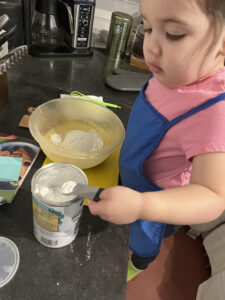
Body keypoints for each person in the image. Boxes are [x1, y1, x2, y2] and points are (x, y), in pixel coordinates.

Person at [88, 0, 225, 282]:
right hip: (130, 177)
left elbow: (213, 196)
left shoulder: (214, 113)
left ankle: (139, 264)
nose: (149, 45)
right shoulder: (175, 68)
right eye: (147, 27)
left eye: (174, 34)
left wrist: (141, 206)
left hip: (158, 203)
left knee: (143, 245)